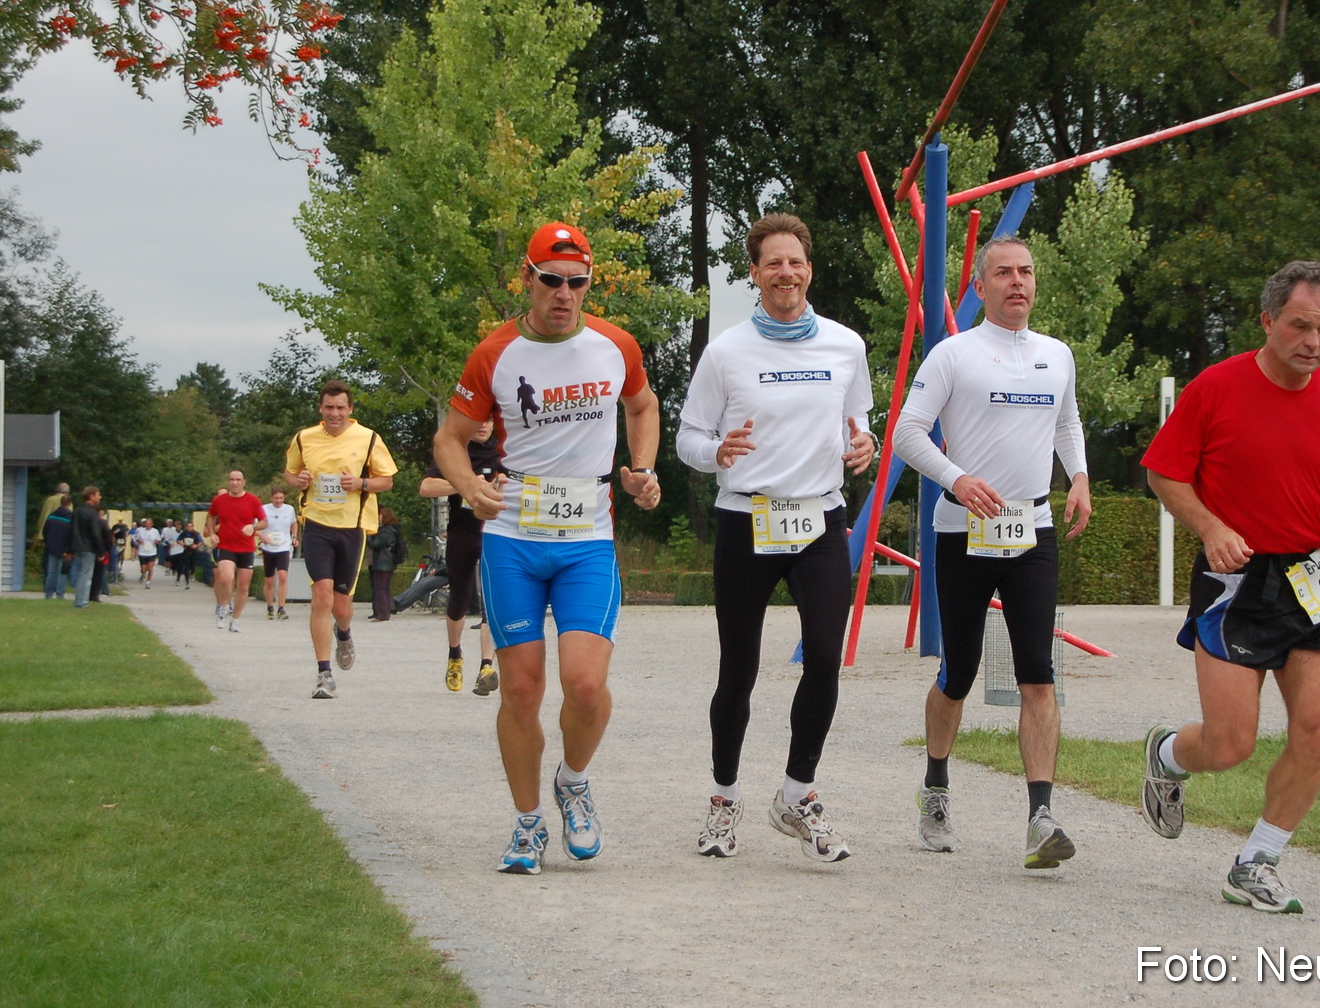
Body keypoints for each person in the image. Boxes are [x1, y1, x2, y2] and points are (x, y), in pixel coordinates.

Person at [1139, 260, 1320, 915]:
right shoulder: (1216, 388)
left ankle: (1258, 860)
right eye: (1301, 325)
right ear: (1269, 320)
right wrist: (1210, 524)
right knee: (1230, 744)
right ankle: (1167, 753)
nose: (1314, 341)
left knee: (1318, 729)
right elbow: (1165, 474)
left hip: (1315, 573)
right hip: (1235, 576)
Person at [435, 221, 662, 876]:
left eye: (577, 282)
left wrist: (642, 468)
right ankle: (529, 822)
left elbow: (642, 406)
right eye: (552, 280)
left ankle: (574, 779)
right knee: (521, 692)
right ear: (527, 279)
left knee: (586, 686)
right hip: (513, 538)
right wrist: (470, 487)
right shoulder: (495, 353)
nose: (564, 294)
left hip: (587, 536)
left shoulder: (615, 345)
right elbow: (449, 438)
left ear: (590, 282)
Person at [676, 212, 875, 862]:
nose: (785, 273)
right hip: (746, 517)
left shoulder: (846, 345)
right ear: (754, 273)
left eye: (795, 262)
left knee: (824, 655)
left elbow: (858, 421)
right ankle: (723, 800)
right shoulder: (728, 351)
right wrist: (716, 452)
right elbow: (689, 438)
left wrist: (864, 443)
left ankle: (796, 794)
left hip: (820, 519)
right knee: (739, 668)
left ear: (809, 268)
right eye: (773, 263)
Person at [893, 234, 1092, 869]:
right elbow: (905, 432)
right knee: (960, 670)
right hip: (963, 533)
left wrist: (1079, 477)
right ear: (980, 286)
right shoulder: (954, 355)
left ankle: (1040, 816)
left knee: (1039, 673)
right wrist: (957, 478)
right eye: (1003, 273)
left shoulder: (1056, 355)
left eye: (1026, 272)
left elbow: (1066, 422)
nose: (1017, 282)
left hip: (1031, 529)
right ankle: (936, 787)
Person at [284, 381, 399, 700]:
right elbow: (290, 475)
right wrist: (299, 480)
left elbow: (386, 480)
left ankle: (344, 633)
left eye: (340, 408)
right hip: (317, 523)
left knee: (341, 606)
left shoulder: (368, 438)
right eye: (329, 407)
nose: (334, 413)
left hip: (352, 526)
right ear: (320, 409)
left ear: (350, 409)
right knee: (321, 597)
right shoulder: (304, 438)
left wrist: (361, 482)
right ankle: (324, 674)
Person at [419, 418, 501, 694]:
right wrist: (464, 485)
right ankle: (455, 655)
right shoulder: (457, 451)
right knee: (460, 598)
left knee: (493, 598)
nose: (483, 426)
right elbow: (426, 487)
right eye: (477, 420)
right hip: (463, 531)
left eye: (489, 421)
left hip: (495, 532)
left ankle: (486, 666)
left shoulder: (504, 451)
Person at [207, 470, 267, 633]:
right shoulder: (219, 500)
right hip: (226, 545)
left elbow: (264, 522)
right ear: (229, 482)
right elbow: (211, 517)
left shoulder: (253, 500)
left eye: (238, 480)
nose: (235, 483)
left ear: (243, 482)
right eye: (232, 480)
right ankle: (224, 607)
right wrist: (212, 534)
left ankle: (236, 619)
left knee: (243, 585)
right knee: (226, 578)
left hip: (246, 547)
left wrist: (253, 526)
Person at [260, 488, 299, 620]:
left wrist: (294, 537)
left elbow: (294, 523)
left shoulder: (289, 509)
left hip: (284, 547)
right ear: (271, 498)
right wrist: (262, 537)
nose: (278, 501)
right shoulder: (264, 509)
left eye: (281, 498)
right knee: (270, 581)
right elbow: (255, 526)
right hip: (268, 547)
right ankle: (270, 606)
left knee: (283, 576)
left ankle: (281, 607)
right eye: (276, 498)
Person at [70, 487, 110, 608]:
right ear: (91, 496)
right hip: (88, 547)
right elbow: (95, 533)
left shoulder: (77, 511)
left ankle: (78, 599)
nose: (100, 497)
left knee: (79, 574)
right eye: (98, 495)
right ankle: (81, 602)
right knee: (86, 576)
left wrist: (69, 548)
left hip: (77, 545)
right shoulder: (92, 513)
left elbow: (71, 529)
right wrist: (101, 551)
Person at [366, 508, 405, 621]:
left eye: (380, 516)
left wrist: (368, 536)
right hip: (387, 562)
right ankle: (385, 611)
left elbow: (376, 544)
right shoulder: (392, 530)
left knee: (380, 588)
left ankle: (382, 614)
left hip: (383, 562)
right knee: (384, 587)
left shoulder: (386, 531)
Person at [42, 494, 73, 598]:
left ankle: (49, 593)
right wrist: (69, 549)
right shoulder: (70, 517)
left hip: (51, 548)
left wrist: (48, 543)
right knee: (62, 572)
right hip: (64, 549)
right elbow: (71, 535)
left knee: (51, 572)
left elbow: (45, 531)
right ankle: (60, 594)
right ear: (69, 504)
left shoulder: (51, 516)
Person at [132, 518, 162, 587]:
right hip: (142, 552)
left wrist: (156, 542)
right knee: (143, 569)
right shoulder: (140, 531)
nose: (148, 525)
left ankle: (148, 582)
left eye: (149, 524)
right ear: (145, 524)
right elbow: (136, 538)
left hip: (152, 552)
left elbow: (159, 540)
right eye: (146, 524)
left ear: (152, 524)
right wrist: (139, 541)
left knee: (150, 568)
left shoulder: (155, 531)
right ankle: (143, 574)